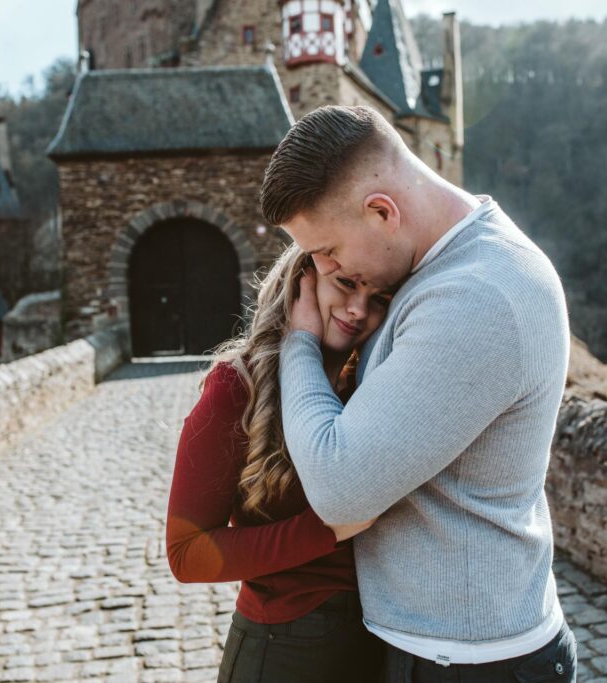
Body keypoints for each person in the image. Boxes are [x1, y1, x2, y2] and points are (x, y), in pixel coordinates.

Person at [262, 104, 578, 682]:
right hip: (439, 644)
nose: (320, 269)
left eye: (328, 250)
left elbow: (340, 486)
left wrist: (299, 342)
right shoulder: (438, 267)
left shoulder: (478, 296)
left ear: (382, 211)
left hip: (470, 661)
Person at [165, 244, 394, 682]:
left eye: (379, 299)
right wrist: (324, 529)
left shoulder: (372, 388)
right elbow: (186, 553)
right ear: (303, 281)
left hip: (378, 647)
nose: (358, 310)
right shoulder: (238, 385)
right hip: (283, 651)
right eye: (345, 284)